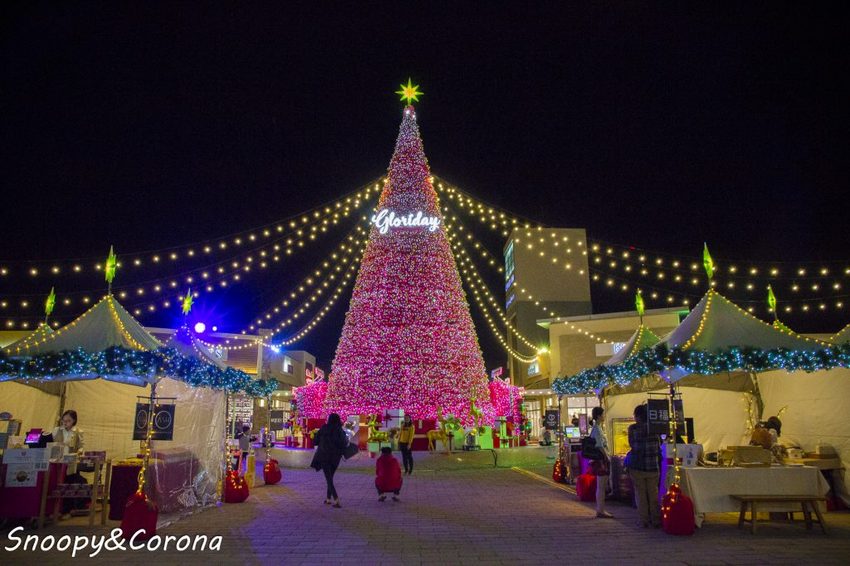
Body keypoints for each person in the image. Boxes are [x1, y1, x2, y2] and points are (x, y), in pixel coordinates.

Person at [628, 404, 661, 528]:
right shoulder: (655, 428)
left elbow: (631, 444)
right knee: (653, 494)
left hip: (638, 466)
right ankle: (656, 520)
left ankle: (644, 520)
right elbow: (659, 445)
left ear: (638, 416)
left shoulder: (633, 429)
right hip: (653, 466)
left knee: (640, 494)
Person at [310, 413, 348, 508]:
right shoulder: (340, 430)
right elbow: (344, 442)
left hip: (324, 456)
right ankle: (328, 498)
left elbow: (316, 441)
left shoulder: (324, 428)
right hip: (336, 457)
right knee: (330, 477)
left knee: (329, 479)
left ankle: (336, 499)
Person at [589, 406, 613, 518]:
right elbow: (599, 445)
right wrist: (606, 457)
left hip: (599, 460)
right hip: (601, 460)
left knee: (601, 485)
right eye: (603, 414)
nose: (604, 416)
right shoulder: (597, 429)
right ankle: (600, 510)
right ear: (599, 416)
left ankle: (600, 509)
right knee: (601, 486)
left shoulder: (597, 428)